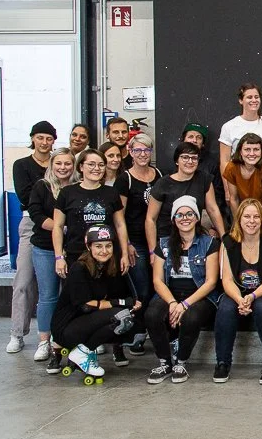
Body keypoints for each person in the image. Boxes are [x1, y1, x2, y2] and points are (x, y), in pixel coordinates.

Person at [144, 196, 220, 384]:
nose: (185, 218)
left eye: (189, 214)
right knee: (152, 314)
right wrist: (172, 303)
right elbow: (157, 280)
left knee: (191, 317)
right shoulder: (163, 244)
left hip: (199, 296)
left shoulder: (209, 243)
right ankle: (165, 362)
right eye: (179, 215)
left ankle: (181, 362)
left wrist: (184, 305)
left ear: (196, 218)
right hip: (170, 294)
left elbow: (211, 282)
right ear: (173, 219)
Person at [50, 225, 140, 379]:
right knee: (120, 315)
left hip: (85, 321)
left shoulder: (108, 266)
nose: (104, 251)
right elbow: (86, 305)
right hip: (65, 327)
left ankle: (84, 352)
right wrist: (121, 302)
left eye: (108, 246)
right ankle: (81, 353)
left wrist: (130, 303)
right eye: (98, 246)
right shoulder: (79, 268)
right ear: (88, 247)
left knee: (129, 319)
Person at [214, 198, 262, 385]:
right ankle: (222, 362)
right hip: (238, 292)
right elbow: (226, 279)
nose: (251, 221)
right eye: (247, 216)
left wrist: (251, 297)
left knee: (261, 305)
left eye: (256, 217)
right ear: (239, 219)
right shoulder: (228, 242)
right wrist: (240, 299)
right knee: (226, 307)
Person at [6, 120, 55, 356]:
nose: (44, 142)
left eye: (49, 138)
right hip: (31, 223)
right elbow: (25, 196)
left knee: (57, 284)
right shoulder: (22, 165)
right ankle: (17, 333)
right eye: (40, 137)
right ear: (33, 139)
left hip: (59, 224)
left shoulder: (59, 163)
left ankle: (54, 334)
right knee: (24, 281)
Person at [114, 132, 162, 354]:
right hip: (136, 242)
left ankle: (156, 330)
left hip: (158, 240)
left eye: (146, 150)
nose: (142, 154)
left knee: (158, 287)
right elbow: (119, 216)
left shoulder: (158, 174)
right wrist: (126, 244)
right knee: (142, 289)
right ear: (130, 152)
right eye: (137, 150)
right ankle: (138, 334)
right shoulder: (125, 179)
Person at [28, 148, 74, 366]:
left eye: (67, 163)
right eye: (59, 163)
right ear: (51, 164)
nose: (63, 167)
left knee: (73, 295)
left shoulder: (78, 187)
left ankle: (68, 338)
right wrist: (60, 227)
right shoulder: (42, 187)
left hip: (73, 249)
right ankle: (44, 341)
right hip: (45, 248)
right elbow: (36, 214)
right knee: (48, 295)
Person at [53, 148, 130, 276]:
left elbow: (120, 225)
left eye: (101, 165)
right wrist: (59, 257)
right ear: (81, 167)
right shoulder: (67, 193)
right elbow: (58, 226)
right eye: (91, 164)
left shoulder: (111, 193)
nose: (97, 168)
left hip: (106, 255)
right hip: (76, 255)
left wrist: (125, 254)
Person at [147, 142, 227, 256]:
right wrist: (152, 251)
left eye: (194, 158)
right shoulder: (163, 184)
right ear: (177, 160)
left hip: (194, 239)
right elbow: (151, 219)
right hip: (167, 239)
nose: (190, 161)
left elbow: (213, 209)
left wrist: (224, 238)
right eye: (185, 157)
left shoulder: (204, 179)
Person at [222, 132, 262, 243]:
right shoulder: (232, 168)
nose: (252, 154)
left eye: (256, 149)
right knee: (238, 240)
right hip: (245, 210)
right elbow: (234, 199)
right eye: (247, 149)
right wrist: (238, 224)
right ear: (240, 152)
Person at [218, 83, 262, 176]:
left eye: (256, 97)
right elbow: (224, 162)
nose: (254, 100)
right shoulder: (228, 126)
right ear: (241, 100)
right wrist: (227, 185)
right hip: (237, 178)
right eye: (249, 97)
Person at [181, 122, 229, 227]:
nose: (194, 140)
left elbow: (218, 196)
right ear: (183, 140)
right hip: (180, 212)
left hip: (206, 212)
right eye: (190, 136)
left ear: (203, 143)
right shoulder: (177, 160)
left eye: (198, 138)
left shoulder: (212, 164)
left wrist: (213, 225)